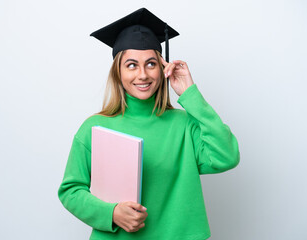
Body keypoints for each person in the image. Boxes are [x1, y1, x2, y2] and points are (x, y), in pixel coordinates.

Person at [58, 8, 240, 240]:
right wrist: (111, 213)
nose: (142, 74)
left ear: (162, 68)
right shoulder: (95, 128)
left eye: (151, 64)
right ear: (118, 73)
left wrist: (190, 94)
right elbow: (70, 191)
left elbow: (227, 156)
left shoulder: (184, 124)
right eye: (131, 65)